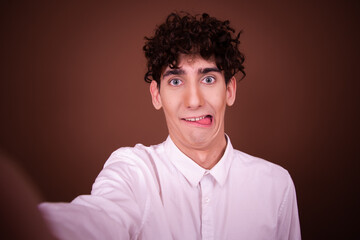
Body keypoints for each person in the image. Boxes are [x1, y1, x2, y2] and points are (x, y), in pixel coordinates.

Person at [39, 12, 301, 240]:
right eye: (176, 81)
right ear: (156, 95)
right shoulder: (133, 172)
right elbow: (99, 217)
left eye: (208, 79)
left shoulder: (276, 186)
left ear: (230, 91)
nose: (194, 100)